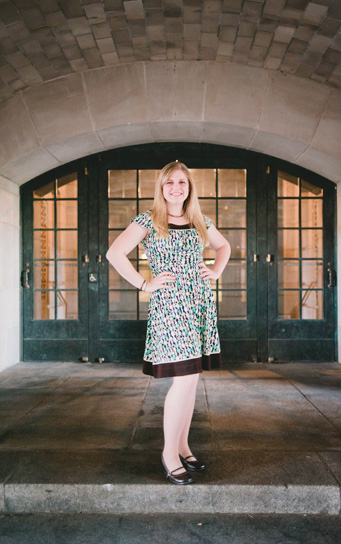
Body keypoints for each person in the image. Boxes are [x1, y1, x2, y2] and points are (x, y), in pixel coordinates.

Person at [106, 161, 230, 485]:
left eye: (183, 182)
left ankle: (183, 444)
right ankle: (168, 453)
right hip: (171, 306)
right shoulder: (149, 219)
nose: (177, 187)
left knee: (193, 378)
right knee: (185, 380)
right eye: (170, 182)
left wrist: (215, 271)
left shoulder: (200, 219)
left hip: (198, 305)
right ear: (161, 187)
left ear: (190, 187)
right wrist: (144, 284)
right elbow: (115, 253)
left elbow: (224, 246)